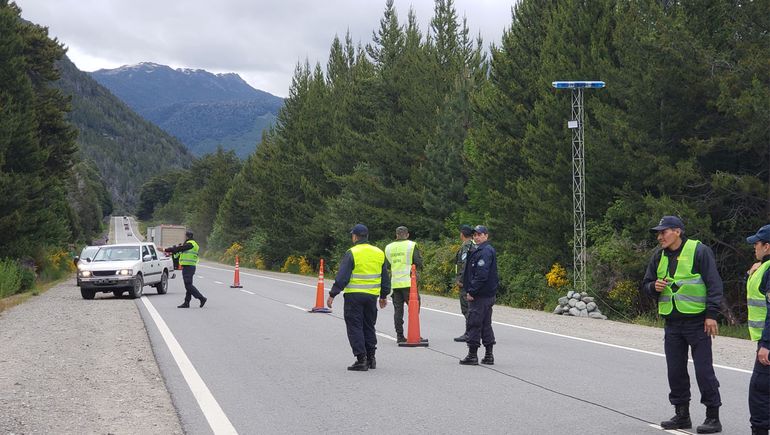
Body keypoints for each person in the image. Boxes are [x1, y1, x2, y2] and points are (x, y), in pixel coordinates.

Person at [642, 216, 722, 433]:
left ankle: (713, 417)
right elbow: (646, 284)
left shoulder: (699, 251)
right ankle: (682, 415)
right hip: (672, 324)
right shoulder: (658, 256)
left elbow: (714, 284)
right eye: (658, 233)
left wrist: (711, 314)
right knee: (675, 371)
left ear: (677, 231)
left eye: (663, 232)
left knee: (704, 371)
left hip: (698, 323)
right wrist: (653, 287)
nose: (659, 237)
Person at [327, 224, 391, 371]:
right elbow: (385, 277)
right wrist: (383, 295)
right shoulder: (379, 253)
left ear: (355, 237)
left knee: (355, 326)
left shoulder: (352, 252)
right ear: (367, 236)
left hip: (354, 296)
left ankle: (361, 360)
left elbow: (343, 276)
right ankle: (371, 359)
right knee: (369, 326)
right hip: (371, 297)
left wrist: (333, 294)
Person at [459, 225, 498, 366]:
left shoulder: (485, 251)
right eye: (475, 235)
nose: (476, 237)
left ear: (486, 235)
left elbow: (481, 275)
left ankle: (472, 355)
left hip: (480, 295)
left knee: (474, 323)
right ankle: (488, 355)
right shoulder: (480, 250)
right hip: (486, 294)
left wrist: (472, 291)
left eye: (480, 234)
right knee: (486, 324)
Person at [745, 224, 770, 435]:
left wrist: (767, 344)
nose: (755, 247)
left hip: (768, 340)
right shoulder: (763, 267)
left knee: (759, 390)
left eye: (757, 244)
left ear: (767, 246)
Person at [384, 226, 423, 343]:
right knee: (414, 308)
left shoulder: (388, 247)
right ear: (407, 235)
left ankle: (400, 336)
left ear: (396, 235)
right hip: (409, 283)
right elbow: (418, 262)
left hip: (396, 283)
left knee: (398, 311)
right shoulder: (411, 245)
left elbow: (388, 265)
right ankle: (414, 332)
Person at [165, 230, 207, 309]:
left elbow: (180, 248)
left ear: (187, 236)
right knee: (189, 285)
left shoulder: (190, 244)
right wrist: (173, 252)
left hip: (188, 267)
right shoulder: (193, 244)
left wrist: (166, 249)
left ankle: (201, 298)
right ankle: (186, 302)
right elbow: (181, 251)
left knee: (188, 285)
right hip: (190, 266)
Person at [453, 224, 475, 342]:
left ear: (462, 234)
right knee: (471, 308)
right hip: (471, 281)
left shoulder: (467, 246)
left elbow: (465, 263)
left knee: (466, 308)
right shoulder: (473, 245)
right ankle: (474, 332)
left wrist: (461, 280)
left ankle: (469, 333)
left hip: (466, 283)